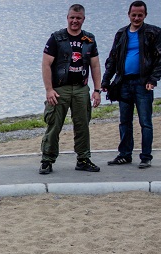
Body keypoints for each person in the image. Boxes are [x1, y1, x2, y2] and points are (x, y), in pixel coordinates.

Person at [101, 1, 161, 169]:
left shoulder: (154, 32)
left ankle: (146, 157)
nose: (137, 18)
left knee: (145, 122)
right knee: (124, 121)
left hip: (143, 83)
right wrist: (105, 81)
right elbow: (112, 59)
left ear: (145, 15)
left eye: (140, 15)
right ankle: (124, 154)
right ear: (128, 15)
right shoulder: (121, 33)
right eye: (134, 15)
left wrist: (153, 79)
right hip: (123, 82)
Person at [39, 4, 102, 175]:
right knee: (54, 125)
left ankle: (83, 159)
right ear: (67, 18)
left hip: (81, 89)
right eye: (72, 17)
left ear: (83, 19)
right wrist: (49, 89)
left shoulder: (89, 39)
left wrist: (97, 90)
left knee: (83, 125)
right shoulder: (56, 38)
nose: (75, 21)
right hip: (60, 89)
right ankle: (47, 160)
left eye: (78, 18)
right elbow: (46, 64)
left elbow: (95, 65)